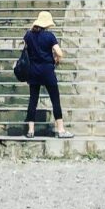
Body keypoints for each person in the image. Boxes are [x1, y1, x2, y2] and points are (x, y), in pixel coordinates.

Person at [23, 10, 73, 139]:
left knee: (33, 100)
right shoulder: (50, 36)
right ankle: (61, 130)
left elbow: (26, 50)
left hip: (33, 71)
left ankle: (30, 130)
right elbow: (59, 53)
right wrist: (56, 59)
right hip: (47, 71)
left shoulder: (28, 35)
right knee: (55, 99)